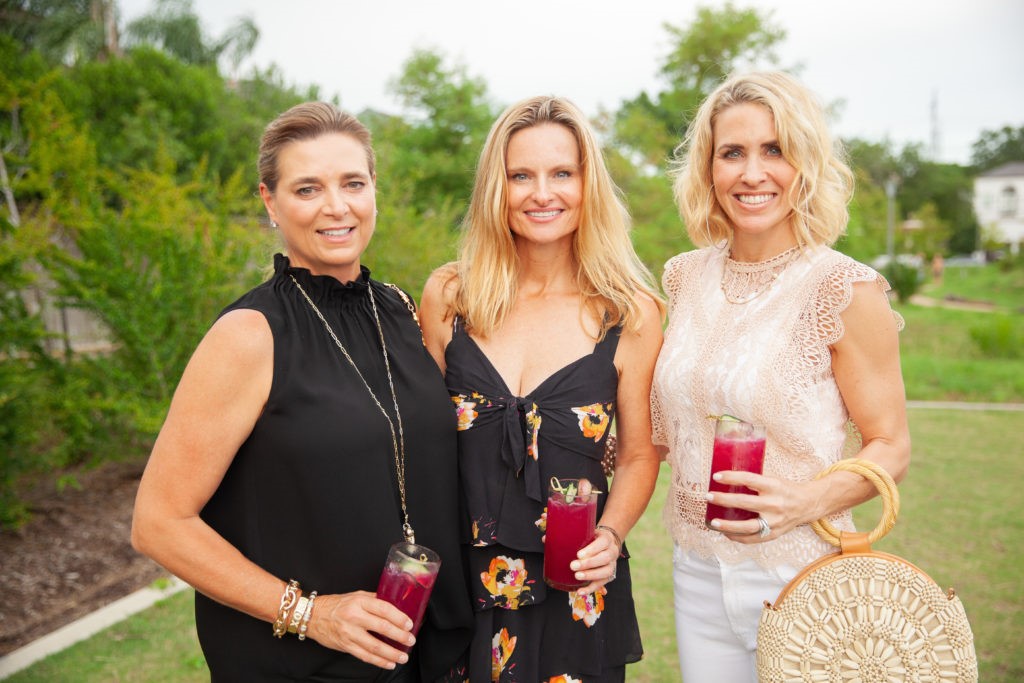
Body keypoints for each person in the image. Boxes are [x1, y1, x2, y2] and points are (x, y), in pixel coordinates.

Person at [131, 101, 472, 681]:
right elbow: (159, 522)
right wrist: (312, 614)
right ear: (270, 201)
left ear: (374, 192)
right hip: (306, 663)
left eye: (352, 183)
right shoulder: (248, 335)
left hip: (420, 653)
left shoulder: (400, 309)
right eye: (308, 188)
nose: (336, 207)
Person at [651, 70, 912, 682]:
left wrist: (809, 501)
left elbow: (892, 444)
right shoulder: (684, 277)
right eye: (732, 153)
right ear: (708, 169)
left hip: (799, 572)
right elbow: (659, 434)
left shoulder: (845, 288)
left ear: (806, 163)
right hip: (696, 571)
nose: (751, 173)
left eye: (775, 150)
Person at [418, 95, 665, 682]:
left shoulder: (629, 313)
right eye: (520, 175)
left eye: (562, 173)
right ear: (494, 189)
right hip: (459, 591)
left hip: (573, 586)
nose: (541, 193)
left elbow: (636, 455)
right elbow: (421, 445)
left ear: (589, 184)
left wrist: (611, 534)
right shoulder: (451, 297)